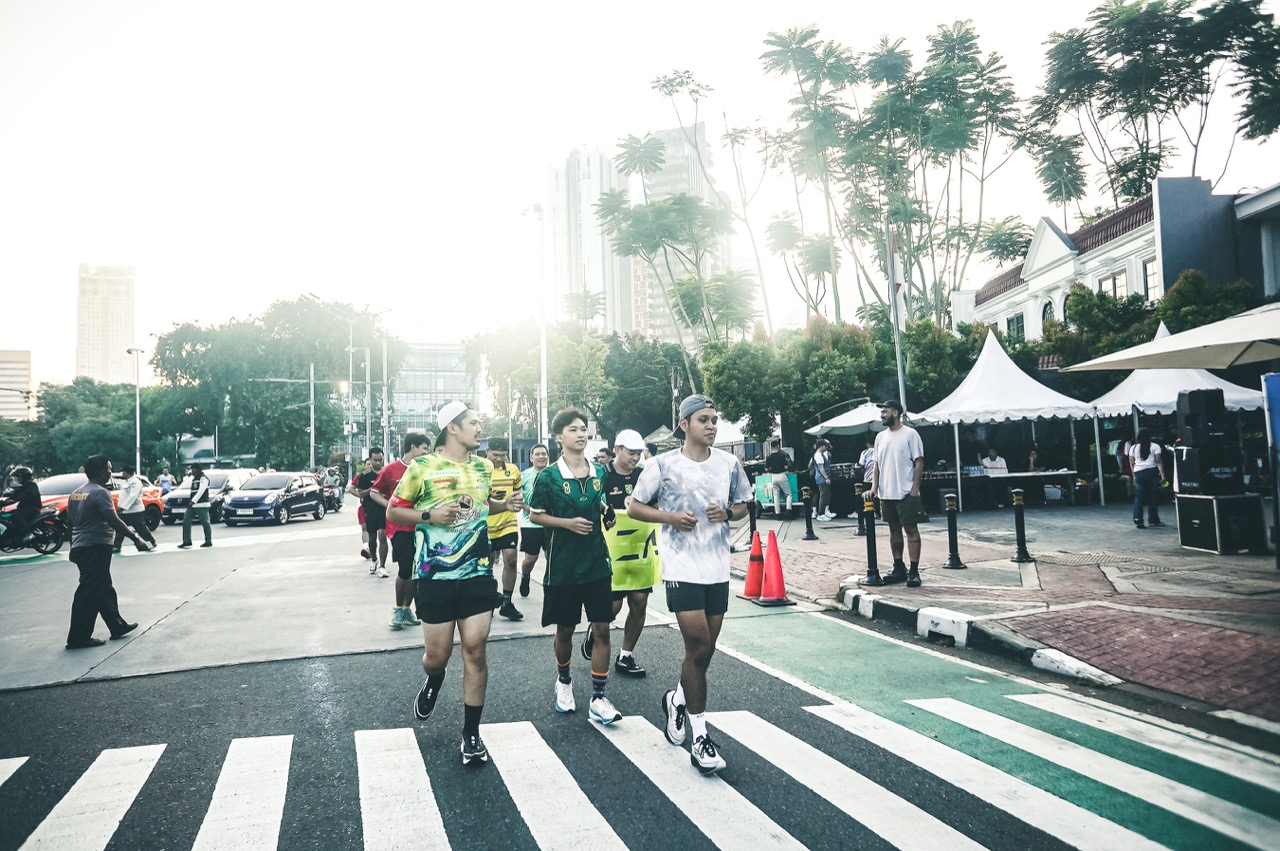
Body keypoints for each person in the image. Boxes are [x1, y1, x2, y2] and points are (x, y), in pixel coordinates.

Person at [386, 402, 520, 766]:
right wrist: (429, 514)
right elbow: (394, 510)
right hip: (434, 575)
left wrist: (503, 503)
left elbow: (479, 505)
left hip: (477, 572)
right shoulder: (422, 467)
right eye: (474, 423)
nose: (480, 428)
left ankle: (472, 734)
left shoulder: (482, 467)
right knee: (437, 656)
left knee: (475, 650)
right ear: (453, 429)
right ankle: (433, 679)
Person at [629, 394, 751, 774]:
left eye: (714, 420)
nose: (711, 426)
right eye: (703, 420)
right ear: (684, 424)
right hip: (681, 568)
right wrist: (669, 517)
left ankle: (677, 700)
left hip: (717, 567)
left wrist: (727, 512)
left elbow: (745, 504)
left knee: (705, 652)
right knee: (697, 645)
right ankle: (700, 738)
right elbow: (635, 507)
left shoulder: (730, 463)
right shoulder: (662, 465)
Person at [528, 407, 622, 726]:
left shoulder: (600, 472)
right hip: (563, 568)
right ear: (559, 437)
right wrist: (566, 523)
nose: (581, 434)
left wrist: (606, 511)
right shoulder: (548, 476)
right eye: (573, 429)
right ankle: (564, 681)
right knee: (565, 629)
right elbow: (536, 515)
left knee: (602, 628)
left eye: (584, 429)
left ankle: (598, 695)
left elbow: (597, 502)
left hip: (597, 562)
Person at [584, 428, 660, 678]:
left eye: (639, 454)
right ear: (617, 450)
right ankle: (595, 630)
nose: (635, 458)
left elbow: (658, 504)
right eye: (630, 453)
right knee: (613, 607)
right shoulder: (601, 476)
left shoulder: (644, 475)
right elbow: (591, 504)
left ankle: (625, 656)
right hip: (610, 553)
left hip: (640, 550)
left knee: (639, 602)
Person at [65, 455, 149, 649]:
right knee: (90, 591)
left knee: (103, 587)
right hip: (96, 547)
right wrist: (136, 538)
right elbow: (114, 520)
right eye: (110, 468)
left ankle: (116, 625)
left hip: (81, 547)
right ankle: (78, 637)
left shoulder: (76, 493)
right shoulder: (100, 493)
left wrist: (72, 547)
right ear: (103, 471)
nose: (112, 472)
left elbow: (70, 524)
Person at [371, 431, 431, 629]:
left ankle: (407, 608)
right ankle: (397, 609)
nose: (427, 452)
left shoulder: (426, 469)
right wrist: (389, 505)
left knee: (417, 570)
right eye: (424, 448)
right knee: (405, 568)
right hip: (399, 527)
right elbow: (374, 492)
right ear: (413, 447)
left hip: (422, 526)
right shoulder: (392, 469)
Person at [865, 400, 926, 588]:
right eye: (881, 412)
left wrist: (915, 489)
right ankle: (898, 566)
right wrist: (874, 488)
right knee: (893, 529)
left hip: (906, 491)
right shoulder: (880, 437)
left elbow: (919, 461)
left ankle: (914, 571)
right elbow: (876, 464)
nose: (882, 415)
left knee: (911, 529)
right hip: (886, 492)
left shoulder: (910, 434)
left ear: (896, 412)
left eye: (885, 411)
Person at [485, 437, 524, 621]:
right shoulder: (481, 470)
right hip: (485, 523)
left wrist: (517, 499)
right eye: (495, 455)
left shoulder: (513, 470)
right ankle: (489, 598)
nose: (499, 459)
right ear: (487, 452)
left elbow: (518, 490)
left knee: (511, 560)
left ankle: (507, 602)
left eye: (502, 455)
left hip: (507, 521)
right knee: (487, 564)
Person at [516, 443, 550, 598]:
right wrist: (529, 509)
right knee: (531, 559)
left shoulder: (553, 474)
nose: (541, 456)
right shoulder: (524, 476)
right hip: (531, 523)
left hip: (551, 523)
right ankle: (525, 576)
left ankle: (550, 586)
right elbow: (517, 500)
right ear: (531, 457)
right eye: (538, 454)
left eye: (544, 454)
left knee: (553, 557)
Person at [351, 449, 388, 576]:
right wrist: (373, 489)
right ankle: (374, 559)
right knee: (372, 538)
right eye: (375, 460)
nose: (378, 463)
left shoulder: (386, 472)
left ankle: (382, 566)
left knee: (382, 536)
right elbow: (360, 493)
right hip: (370, 509)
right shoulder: (365, 475)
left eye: (380, 460)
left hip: (384, 508)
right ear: (370, 460)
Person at [112, 464, 157, 552]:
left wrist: (123, 507)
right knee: (120, 528)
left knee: (140, 527)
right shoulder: (127, 482)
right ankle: (117, 545)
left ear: (127, 473)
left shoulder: (135, 482)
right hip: (125, 511)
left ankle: (151, 542)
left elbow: (133, 496)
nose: (122, 473)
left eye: (123, 472)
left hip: (134, 510)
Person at [1129, 427, 1166, 529]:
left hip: (1138, 472)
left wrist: (1134, 476)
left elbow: (1131, 463)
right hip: (1151, 472)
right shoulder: (1155, 446)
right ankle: (1153, 520)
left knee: (1139, 496)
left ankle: (1138, 519)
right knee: (1153, 496)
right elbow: (1158, 461)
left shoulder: (1133, 448)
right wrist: (1163, 475)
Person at [0, 466, 41, 548]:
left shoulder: (31, 485)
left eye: (19, 477)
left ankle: (28, 533)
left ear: (25, 477)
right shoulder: (23, 486)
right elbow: (14, 494)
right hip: (24, 508)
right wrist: (4, 501)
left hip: (32, 509)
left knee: (16, 515)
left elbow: (25, 495)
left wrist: (13, 500)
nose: (18, 479)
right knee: (8, 516)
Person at [178, 464, 212, 549]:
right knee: (186, 521)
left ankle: (208, 541)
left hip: (202, 504)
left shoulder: (203, 478)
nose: (191, 471)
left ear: (198, 469)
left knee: (205, 522)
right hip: (193, 505)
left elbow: (201, 491)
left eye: (193, 469)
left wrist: (193, 501)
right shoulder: (194, 479)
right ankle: (187, 541)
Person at [763, 439, 793, 516]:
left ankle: (777, 513)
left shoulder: (768, 457)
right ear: (778, 446)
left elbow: (766, 469)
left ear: (771, 447)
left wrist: (771, 469)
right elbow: (786, 467)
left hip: (773, 476)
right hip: (782, 475)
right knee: (788, 494)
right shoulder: (782, 456)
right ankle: (788, 510)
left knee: (776, 495)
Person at [810, 439, 834, 520]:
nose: (826, 447)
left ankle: (823, 512)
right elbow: (821, 467)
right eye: (825, 446)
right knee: (823, 495)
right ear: (821, 446)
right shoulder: (818, 455)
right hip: (821, 478)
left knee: (826, 494)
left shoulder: (820, 454)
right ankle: (821, 513)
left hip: (822, 477)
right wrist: (826, 477)